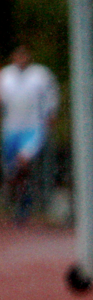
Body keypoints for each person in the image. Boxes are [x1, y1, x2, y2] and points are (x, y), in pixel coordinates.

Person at [1, 45, 59, 223]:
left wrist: (51, 113)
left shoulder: (40, 75)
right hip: (11, 128)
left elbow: (51, 94)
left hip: (33, 127)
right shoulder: (6, 76)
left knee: (23, 161)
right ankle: (19, 199)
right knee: (12, 170)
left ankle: (25, 203)